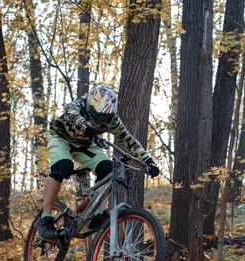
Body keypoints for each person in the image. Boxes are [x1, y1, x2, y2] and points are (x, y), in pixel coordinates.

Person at [35, 83, 159, 241]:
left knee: (107, 168)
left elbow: (130, 141)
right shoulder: (81, 104)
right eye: (97, 116)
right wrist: (84, 124)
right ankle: (45, 218)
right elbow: (69, 110)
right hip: (61, 137)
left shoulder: (113, 120)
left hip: (86, 145)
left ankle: (98, 215)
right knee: (62, 166)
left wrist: (148, 160)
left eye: (104, 118)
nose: (100, 121)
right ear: (90, 106)